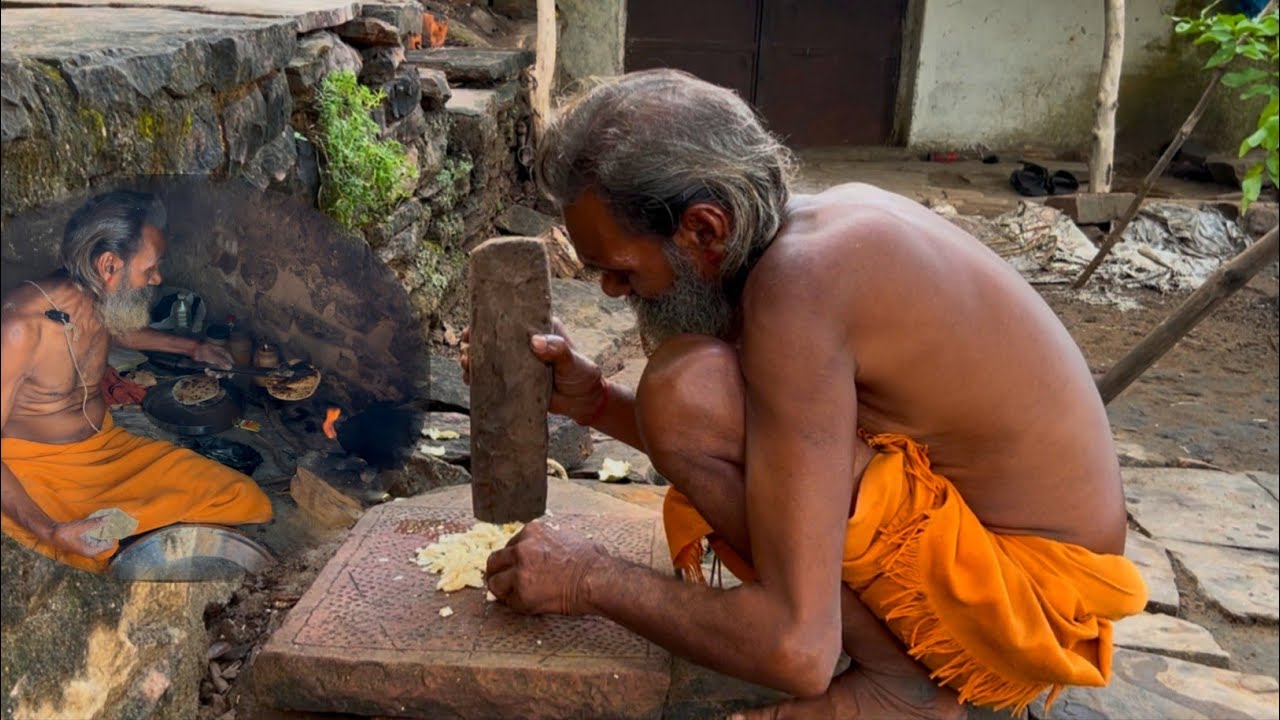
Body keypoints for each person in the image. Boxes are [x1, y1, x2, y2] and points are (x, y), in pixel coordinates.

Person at [462, 69, 1147, 719]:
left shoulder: (802, 288)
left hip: (1026, 611)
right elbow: (776, 443)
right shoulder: (807, 234)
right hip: (1015, 571)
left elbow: (795, 649)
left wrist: (589, 580)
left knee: (685, 391)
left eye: (617, 268)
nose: (612, 292)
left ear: (704, 229)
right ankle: (897, 667)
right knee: (692, 394)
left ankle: (903, 686)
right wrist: (595, 404)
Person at [1, 190, 273, 573]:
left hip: (108, 448)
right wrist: (50, 530)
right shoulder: (19, 329)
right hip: (38, 466)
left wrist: (193, 348)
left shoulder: (98, 295)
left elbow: (122, 331)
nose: (158, 278)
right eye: (150, 268)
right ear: (109, 265)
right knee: (76, 555)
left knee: (241, 497)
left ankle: (136, 534)